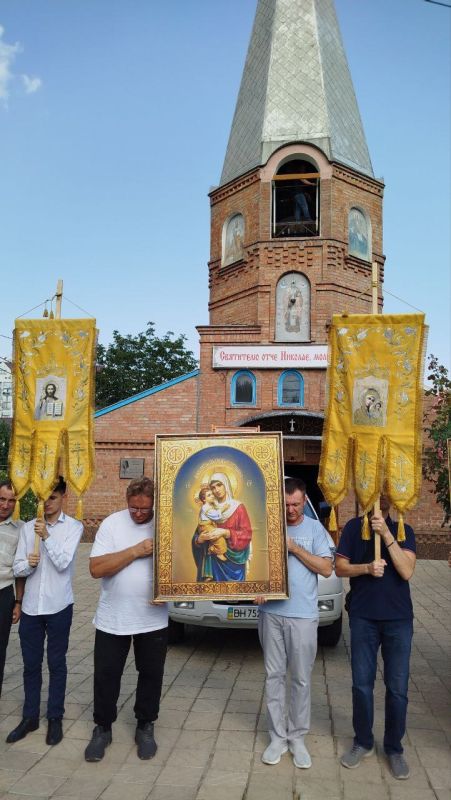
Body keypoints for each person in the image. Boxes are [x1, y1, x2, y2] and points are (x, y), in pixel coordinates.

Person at [85, 477, 168, 763]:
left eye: (145, 509)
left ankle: (145, 726)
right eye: (134, 508)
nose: (139, 514)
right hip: (113, 617)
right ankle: (102, 727)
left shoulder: (166, 524)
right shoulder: (112, 524)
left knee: (151, 675)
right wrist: (135, 551)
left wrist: (169, 591)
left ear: (154, 503)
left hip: (153, 619)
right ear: (127, 501)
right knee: (106, 675)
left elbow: (184, 567)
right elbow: (96, 568)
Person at [335, 495, 416, 780]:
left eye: (383, 500)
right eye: (371, 497)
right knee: (361, 684)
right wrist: (366, 568)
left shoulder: (404, 529)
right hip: (363, 617)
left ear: (391, 503)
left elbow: (406, 571)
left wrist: (387, 535)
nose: (377, 505)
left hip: (398, 620)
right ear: (363, 498)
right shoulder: (352, 529)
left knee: (397, 688)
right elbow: (339, 567)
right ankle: (363, 742)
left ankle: (394, 748)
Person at [255, 477, 333, 769]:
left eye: (296, 504)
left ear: (304, 502)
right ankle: (277, 737)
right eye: (286, 504)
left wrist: (295, 549)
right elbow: (253, 564)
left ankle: (297, 737)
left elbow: (326, 568)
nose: (290, 510)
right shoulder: (267, 526)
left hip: (302, 616)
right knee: (273, 676)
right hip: (271, 615)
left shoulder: (314, 529)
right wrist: (256, 588)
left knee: (300, 678)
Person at [7, 477, 83, 746]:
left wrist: (46, 537)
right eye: (43, 498)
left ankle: (55, 717)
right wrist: (28, 564)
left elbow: (63, 563)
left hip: (59, 605)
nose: (47, 503)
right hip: (31, 608)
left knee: (57, 663)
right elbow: (17, 568)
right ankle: (30, 717)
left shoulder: (74, 527)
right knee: (30, 665)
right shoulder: (28, 529)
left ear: (63, 497)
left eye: (52, 497)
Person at [192, 472, 252, 582]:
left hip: (234, 564)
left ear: (226, 485)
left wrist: (225, 533)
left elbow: (247, 534)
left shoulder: (238, 507)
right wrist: (199, 540)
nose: (216, 490)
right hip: (212, 562)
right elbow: (200, 531)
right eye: (213, 488)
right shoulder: (208, 509)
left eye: (219, 485)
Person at [0, 480, 25, 698]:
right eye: (2, 499)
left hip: (4, 593)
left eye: (11, 501)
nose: (6, 505)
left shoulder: (20, 529)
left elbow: (19, 571)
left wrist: (18, 602)